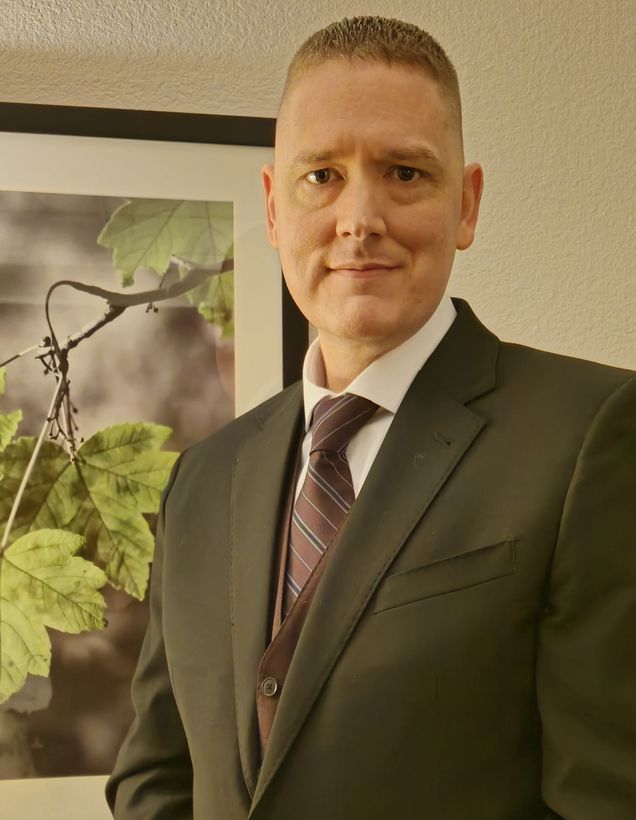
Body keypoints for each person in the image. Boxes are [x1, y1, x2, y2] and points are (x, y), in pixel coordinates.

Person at [106, 16, 636, 820]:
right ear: (275, 209)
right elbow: (154, 775)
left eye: (403, 173)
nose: (360, 217)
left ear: (466, 203)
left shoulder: (591, 435)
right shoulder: (202, 479)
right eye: (321, 175)